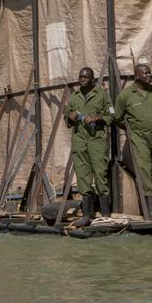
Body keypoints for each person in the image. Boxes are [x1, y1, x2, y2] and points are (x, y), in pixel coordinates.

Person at [64, 66, 115, 227]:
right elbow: (67, 120)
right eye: (81, 76)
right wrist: (70, 118)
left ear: (92, 80)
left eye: (86, 77)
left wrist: (96, 118)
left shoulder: (102, 96)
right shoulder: (74, 97)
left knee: (100, 174)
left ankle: (105, 213)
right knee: (83, 176)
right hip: (80, 141)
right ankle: (87, 215)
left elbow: (112, 116)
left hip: (96, 141)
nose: (82, 79)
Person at [115, 63, 152, 211]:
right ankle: (150, 210)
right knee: (144, 168)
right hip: (138, 135)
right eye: (145, 73)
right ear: (136, 76)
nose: (149, 75)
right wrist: (130, 128)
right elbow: (117, 117)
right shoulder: (126, 95)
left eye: (149, 73)